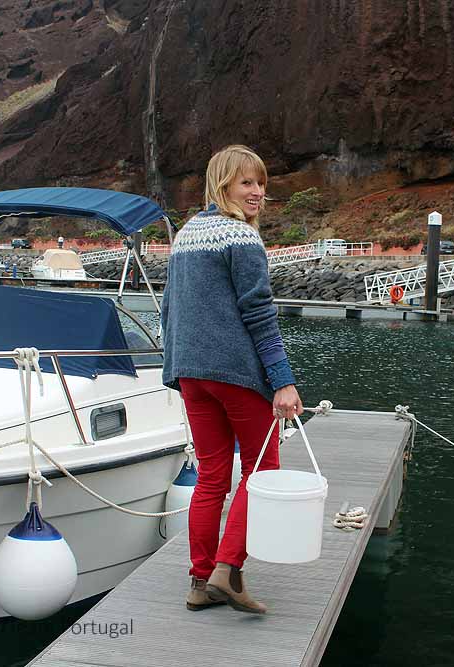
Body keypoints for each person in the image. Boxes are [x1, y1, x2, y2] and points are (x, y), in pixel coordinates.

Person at [160, 144, 303, 614]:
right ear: (224, 185)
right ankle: (228, 568)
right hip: (236, 375)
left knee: (212, 478)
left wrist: (174, 369)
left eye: (261, 183)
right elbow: (259, 314)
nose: (258, 191)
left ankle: (200, 583)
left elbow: (169, 309)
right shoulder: (241, 237)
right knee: (262, 471)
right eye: (247, 182)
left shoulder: (186, 235)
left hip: (192, 374)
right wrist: (282, 380)